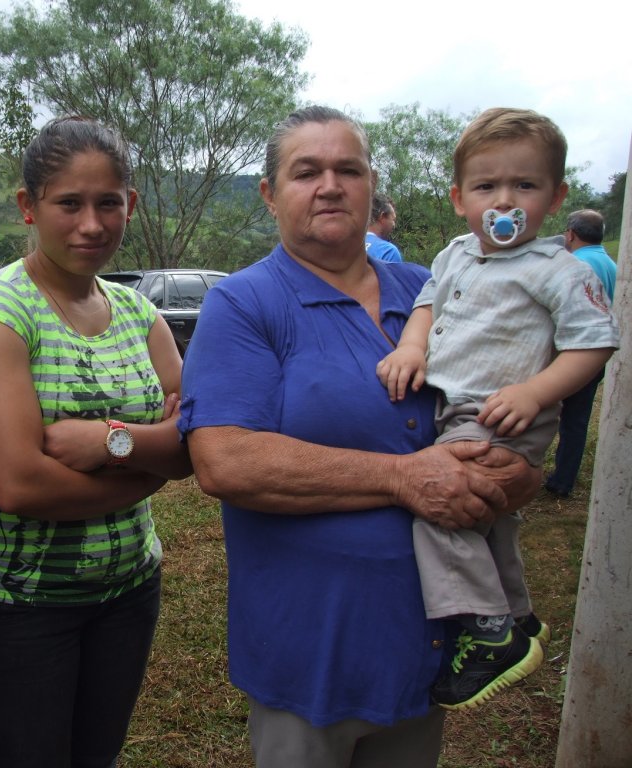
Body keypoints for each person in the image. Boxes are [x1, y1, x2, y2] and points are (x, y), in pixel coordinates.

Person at [178, 105, 540, 768]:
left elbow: (502, 394)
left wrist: (518, 473)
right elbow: (225, 460)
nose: (330, 185)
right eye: (306, 171)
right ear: (269, 193)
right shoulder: (246, 304)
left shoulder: (431, 288)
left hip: (426, 645)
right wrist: (403, 477)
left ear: (373, 185)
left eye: (349, 169)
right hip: (310, 646)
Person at [0, 116, 192, 768]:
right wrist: (151, 461)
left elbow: (195, 441)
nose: (91, 224)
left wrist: (112, 442)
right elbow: (18, 483)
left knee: (98, 756)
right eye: (69, 203)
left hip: (129, 588)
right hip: (22, 605)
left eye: (108, 203)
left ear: (130, 205)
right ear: (29, 207)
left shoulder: (141, 314)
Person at [376, 109, 619, 711]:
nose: (504, 201)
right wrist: (411, 346)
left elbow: (594, 343)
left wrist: (536, 393)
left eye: (526, 186)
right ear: (460, 198)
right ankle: (517, 614)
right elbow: (427, 308)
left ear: (556, 196)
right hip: (453, 404)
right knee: (489, 517)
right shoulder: (455, 254)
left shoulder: (557, 271)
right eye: (486, 187)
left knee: (442, 507)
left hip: (500, 414)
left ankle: (488, 631)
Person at [545, 209, 618, 497]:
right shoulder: (610, 264)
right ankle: (564, 478)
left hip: (567, 354)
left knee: (544, 413)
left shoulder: (573, 264)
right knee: (577, 419)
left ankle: (545, 475)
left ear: (571, 234)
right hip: (594, 356)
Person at [365, 191, 404, 262]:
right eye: (393, 220)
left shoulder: (347, 246)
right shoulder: (388, 251)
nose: (394, 225)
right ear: (382, 216)